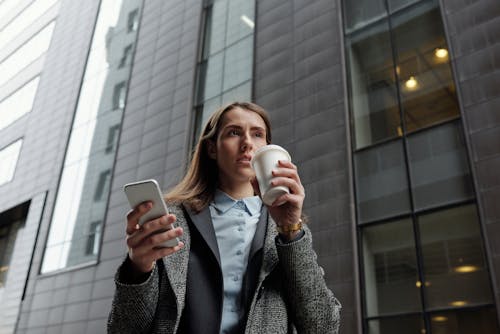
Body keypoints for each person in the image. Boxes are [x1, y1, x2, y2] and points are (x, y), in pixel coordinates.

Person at [107, 102, 341, 333]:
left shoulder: (289, 232)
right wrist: (138, 269)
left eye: (258, 134)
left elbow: (322, 326)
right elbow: (124, 329)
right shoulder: (170, 221)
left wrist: (289, 228)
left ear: (268, 148)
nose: (247, 142)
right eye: (234, 132)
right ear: (211, 148)